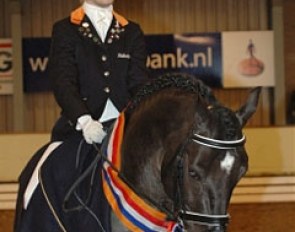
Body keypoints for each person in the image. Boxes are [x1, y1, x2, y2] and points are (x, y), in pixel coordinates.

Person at [14, 1, 148, 231]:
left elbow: (138, 83)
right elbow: (63, 82)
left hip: (124, 128)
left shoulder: (131, 31)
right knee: (33, 178)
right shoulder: (65, 29)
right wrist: (84, 120)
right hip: (81, 127)